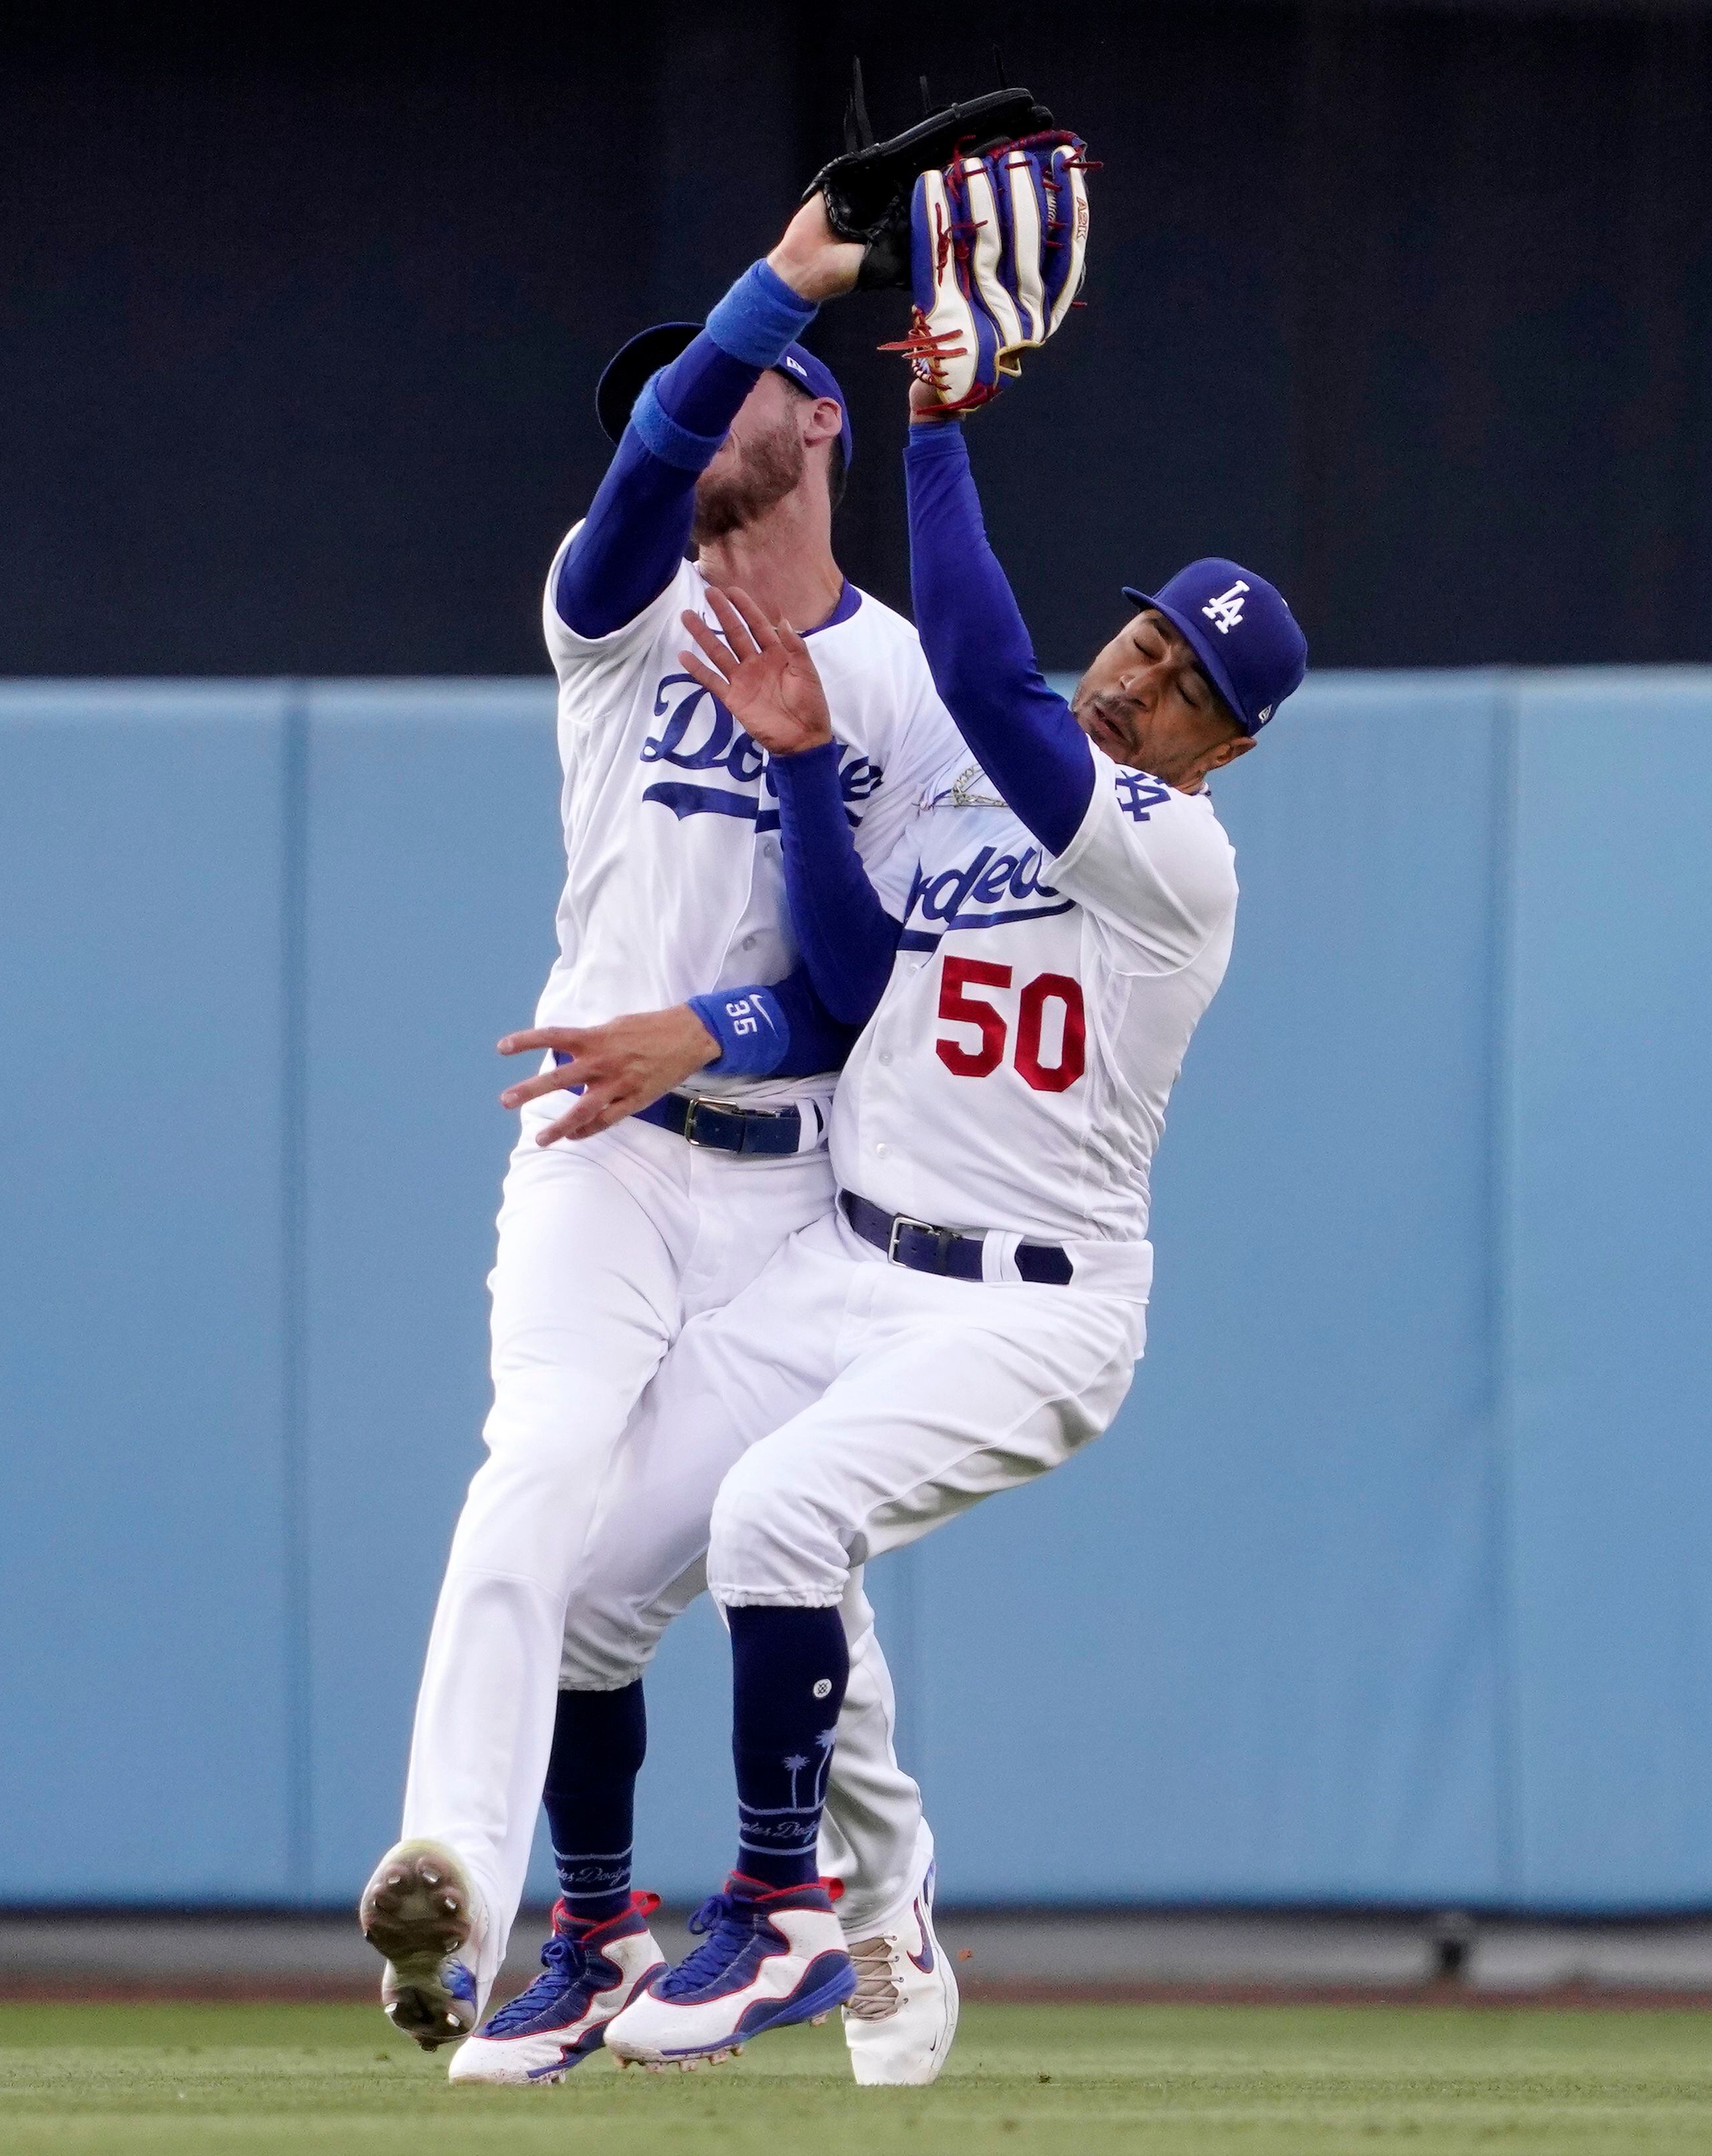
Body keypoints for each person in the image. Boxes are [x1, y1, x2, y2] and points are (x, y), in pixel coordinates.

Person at [542, 323, 1309, 2069]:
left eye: (1187, 682)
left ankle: (779, 1914)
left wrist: (941, 425)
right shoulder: (979, 789)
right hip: (846, 1256)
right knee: (596, 1584)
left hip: (1031, 1310)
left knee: (779, 1524)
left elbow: (974, 658)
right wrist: (808, 768)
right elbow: (859, 971)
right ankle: (752, 1920)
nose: (1138, 679)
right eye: (1140, 638)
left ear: (1228, 748)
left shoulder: (1176, 857)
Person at [358, 194, 961, 2087]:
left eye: (737, 396)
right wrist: (777, 290)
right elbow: (639, 459)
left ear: (825, 422)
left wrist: (714, 1005)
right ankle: (469, 1873)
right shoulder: (612, 617)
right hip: (598, 1163)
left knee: (763, 1554)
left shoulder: (908, 691)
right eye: (673, 406)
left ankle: (853, 1909)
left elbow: (864, 996)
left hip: (793, 1189)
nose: (691, 426)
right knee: (537, 1464)